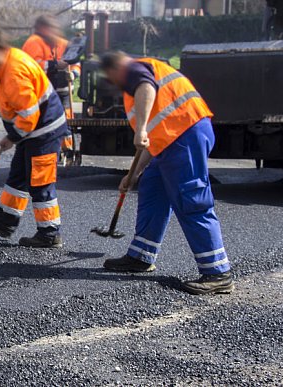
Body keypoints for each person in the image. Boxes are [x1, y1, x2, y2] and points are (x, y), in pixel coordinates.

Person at [99, 51, 234, 295]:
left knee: (190, 198)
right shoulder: (137, 78)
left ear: (114, 69)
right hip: (171, 140)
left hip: (185, 134)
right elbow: (152, 138)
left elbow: (145, 89)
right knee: (152, 188)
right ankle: (141, 256)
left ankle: (217, 272)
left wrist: (139, 129)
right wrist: (135, 173)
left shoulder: (133, 71)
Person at [0, 27, 70, 248]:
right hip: (34, 133)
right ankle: (6, 220)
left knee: (40, 182)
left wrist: (12, 137)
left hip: (44, 132)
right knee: (19, 175)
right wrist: (15, 135)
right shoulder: (8, 60)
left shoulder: (14, 71)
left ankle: (50, 234)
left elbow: (29, 115)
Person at [22, 15, 80, 158]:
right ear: (43, 29)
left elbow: (76, 63)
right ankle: (51, 150)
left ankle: (67, 149)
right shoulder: (34, 42)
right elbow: (32, 66)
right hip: (44, 91)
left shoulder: (64, 44)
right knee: (48, 121)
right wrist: (54, 65)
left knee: (65, 119)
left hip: (63, 89)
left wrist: (73, 74)